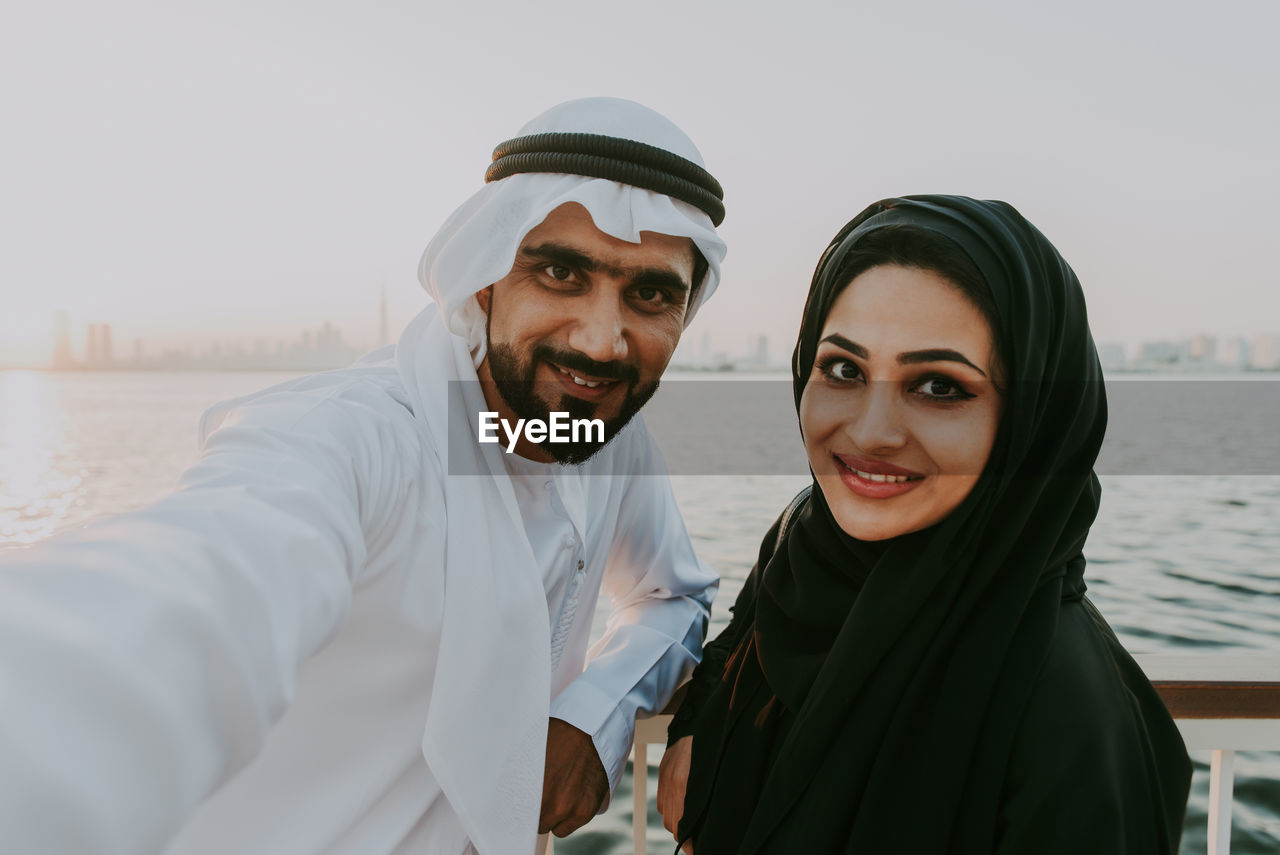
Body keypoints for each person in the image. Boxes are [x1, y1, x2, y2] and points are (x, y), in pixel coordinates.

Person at [0, 97, 727, 855]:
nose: (602, 342)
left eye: (650, 294)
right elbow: (201, 590)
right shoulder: (361, 435)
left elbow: (674, 593)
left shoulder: (612, 439)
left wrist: (596, 712)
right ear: (483, 283)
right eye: (558, 271)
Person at [657, 195, 1192, 854]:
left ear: (1029, 420)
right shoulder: (811, 543)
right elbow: (751, 623)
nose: (871, 431)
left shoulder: (1068, 719)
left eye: (939, 386)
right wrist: (695, 725)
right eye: (844, 369)